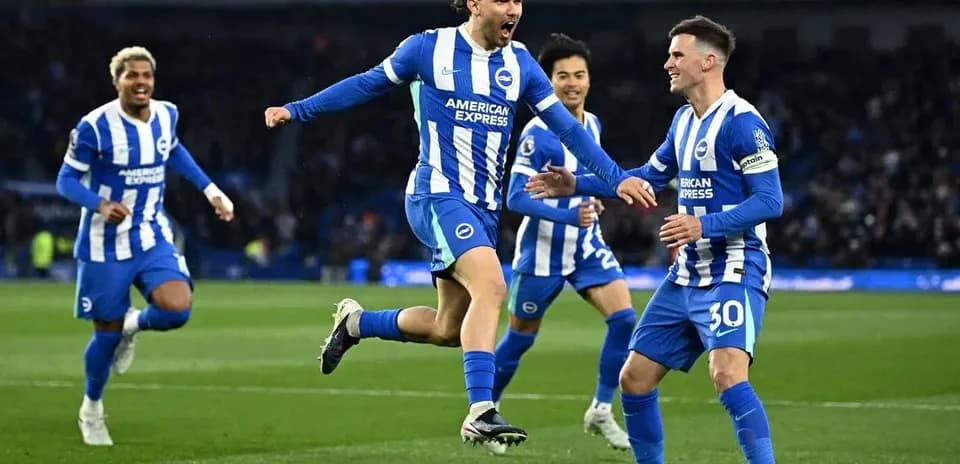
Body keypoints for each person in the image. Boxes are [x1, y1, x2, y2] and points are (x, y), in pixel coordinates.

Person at [263, 0, 655, 448]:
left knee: (449, 329)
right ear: (473, 3)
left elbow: (569, 130)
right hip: (438, 194)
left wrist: (616, 177)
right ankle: (481, 412)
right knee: (491, 286)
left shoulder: (521, 63)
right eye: (502, 0)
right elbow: (366, 84)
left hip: (482, 209)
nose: (514, 9)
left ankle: (356, 324)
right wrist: (297, 109)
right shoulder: (428, 49)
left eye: (518, 1)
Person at [526, 15, 782, 464]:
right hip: (687, 273)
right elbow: (646, 178)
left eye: (677, 55)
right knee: (635, 378)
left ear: (708, 61)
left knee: (726, 375)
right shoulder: (683, 121)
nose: (667, 63)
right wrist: (577, 184)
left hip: (734, 266)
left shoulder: (743, 122)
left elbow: (769, 200)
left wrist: (703, 225)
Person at [55, 46, 234, 446]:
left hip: (152, 235)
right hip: (104, 244)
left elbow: (175, 152)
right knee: (104, 334)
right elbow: (65, 180)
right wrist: (99, 204)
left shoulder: (167, 114)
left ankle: (132, 325)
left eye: (146, 76)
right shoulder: (94, 127)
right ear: (116, 80)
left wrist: (212, 191)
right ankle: (92, 407)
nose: (140, 83)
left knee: (177, 308)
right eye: (131, 76)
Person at [488, 33, 634, 455]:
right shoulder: (537, 132)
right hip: (542, 255)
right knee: (519, 339)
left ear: (590, 79)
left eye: (580, 75)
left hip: (587, 249)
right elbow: (514, 197)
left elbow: (590, 182)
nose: (573, 83)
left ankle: (602, 410)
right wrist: (568, 212)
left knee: (624, 319)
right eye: (563, 76)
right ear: (548, 81)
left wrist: (595, 204)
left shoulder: (593, 125)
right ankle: (486, 410)